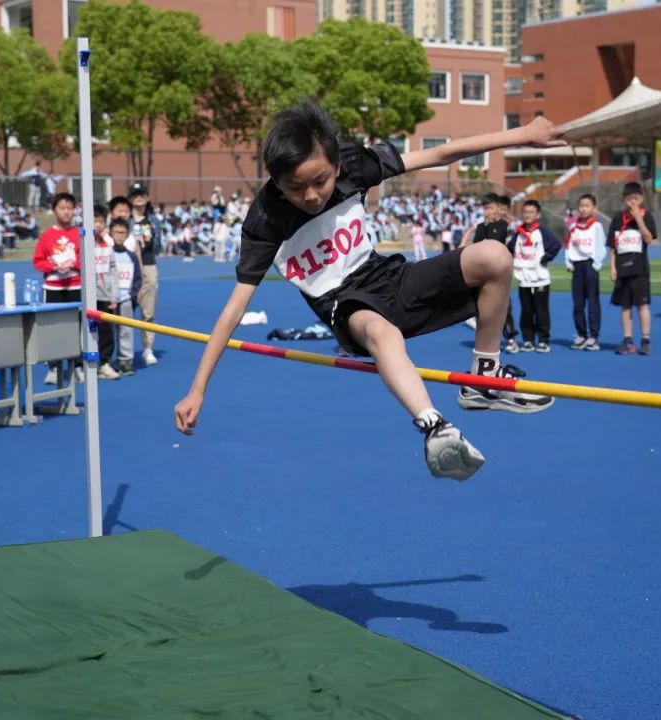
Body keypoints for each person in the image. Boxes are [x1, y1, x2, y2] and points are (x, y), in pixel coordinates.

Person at [174, 100, 562, 481]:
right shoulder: (265, 219)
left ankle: (484, 377)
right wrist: (197, 390)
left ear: (337, 166)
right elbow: (234, 310)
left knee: (494, 256)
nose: (311, 195)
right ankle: (435, 428)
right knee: (381, 331)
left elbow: (442, 152)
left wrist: (524, 134)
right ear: (276, 181)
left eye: (320, 181)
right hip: (343, 305)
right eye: (296, 188)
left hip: (387, 276)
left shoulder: (355, 164)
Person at [460, 194, 520, 353]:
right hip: (481, 272)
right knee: (482, 307)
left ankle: (511, 339)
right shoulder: (480, 228)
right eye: (487, 208)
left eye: (493, 208)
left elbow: (519, 228)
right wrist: (469, 232)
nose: (490, 211)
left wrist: (506, 215)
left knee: (504, 307)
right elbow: (468, 247)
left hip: (499, 272)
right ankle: (485, 343)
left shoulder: (503, 225)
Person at [33, 192, 82, 384]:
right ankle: (53, 367)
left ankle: (78, 365)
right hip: (53, 287)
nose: (66, 212)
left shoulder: (79, 233)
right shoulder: (47, 236)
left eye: (70, 208)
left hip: (75, 285)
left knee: (77, 326)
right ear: (55, 210)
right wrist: (54, 266)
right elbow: (38, 260)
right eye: (62, 208)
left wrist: (73, 265)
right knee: (52, 327)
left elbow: (86, 257)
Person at [608, 181, 657, 356]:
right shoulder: (617, 218)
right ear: (624, 200)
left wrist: (639, 219)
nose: (632, 203)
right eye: (629, 199)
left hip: (640, 269)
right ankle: (628, 341)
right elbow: (613, 246)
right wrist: (612, 267)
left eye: (635, 199)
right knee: (625, 306)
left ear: (641, 199)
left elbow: (649, 239)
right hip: (622, 269)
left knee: (642, 305)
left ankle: (645, 340)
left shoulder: (647, 216)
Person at [507, 200, 560, 353]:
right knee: (526, 311)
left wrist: (546, 258)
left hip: (540, 278)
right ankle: (528, 339)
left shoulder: (542, 232)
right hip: (524, 279)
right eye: (525, 212)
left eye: (531, 212)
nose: (528, 215)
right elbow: (510, 249)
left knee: (541, 311)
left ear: (538, 214)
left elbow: (556, 245)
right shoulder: (519, 233)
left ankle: (543, 340)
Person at [564, 193, 605, 351]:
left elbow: (601, 247)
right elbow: (569, 245)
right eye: (581, 205)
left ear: (594, 208)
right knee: (578, 303)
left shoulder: (596, 226)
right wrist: (568, 262)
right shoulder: (574, 226)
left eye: (587, 205)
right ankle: (581, 334)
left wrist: (595, 265)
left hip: (590, 266)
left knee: (593, 302)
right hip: (577, 267)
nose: (583, 208)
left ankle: (593, 336)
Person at [128, 182, 162, 366]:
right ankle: (123, 351)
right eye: (135, 195)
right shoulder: (125, 220)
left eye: (141, 194)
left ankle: (148, 348)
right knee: (123, 309)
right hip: (126, 267)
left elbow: (158, 245)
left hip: (149, 265)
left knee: (148, 310)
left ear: (147, 197)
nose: (138, 198)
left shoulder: (153, 220)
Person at [110, 218, 143, 375]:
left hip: (125, 299)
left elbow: (137, 279)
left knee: (126, 331)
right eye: (117, 232)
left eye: (123, 233)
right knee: (107, 332)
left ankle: (125, 361)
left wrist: (132, 295)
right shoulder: (107, 254)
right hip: (108, 300)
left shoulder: (131, 257)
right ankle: (106, 361)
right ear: (111, 233)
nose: (119, 236)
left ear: (127, 235)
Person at [91, 205, 120, 380]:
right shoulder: (83, 243)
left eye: (101, 221)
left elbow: (113, 269)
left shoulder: (108, 244)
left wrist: (114, 294)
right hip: (88, 295)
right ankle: (84, 364)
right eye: (95, 221)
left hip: (105, 295)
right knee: (86, 329)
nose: (98, 225)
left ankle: (105, 362)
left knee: (106, 331)